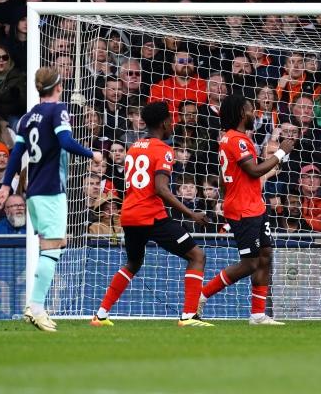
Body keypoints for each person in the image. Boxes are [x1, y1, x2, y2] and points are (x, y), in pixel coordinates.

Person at [0, 67, 102, 332]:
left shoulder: (28, 117)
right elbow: (65, 141)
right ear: (59, 86)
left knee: (53, 245)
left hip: (33, 191)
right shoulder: (58, 110)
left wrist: (7, 185)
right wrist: (93, 155)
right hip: (51, 190)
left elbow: (17, 152)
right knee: (53, 248)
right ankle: (36, 307)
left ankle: (36, 306)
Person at [90, 102, 210, 327]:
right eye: (171, 120)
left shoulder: (134, 146)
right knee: (197, 256)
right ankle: (189, 316)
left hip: (129, 215)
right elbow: (161, 189)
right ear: (164, 123)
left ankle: (101, 314)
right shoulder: (164, 149)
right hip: (151, 216)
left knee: (133, 263)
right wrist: (191, 213)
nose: (173, 123)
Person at [198, 95, 294, 325]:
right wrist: (280, 152)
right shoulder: (235, 140)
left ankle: (258, 314)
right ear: (242, 113)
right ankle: (201, 295)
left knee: (265, 256)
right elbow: (253, 170)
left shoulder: (235, 138)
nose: (255, 113)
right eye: (251, 110)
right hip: (243, 210)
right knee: (250, 263)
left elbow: (229, 177)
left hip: (255, 206)